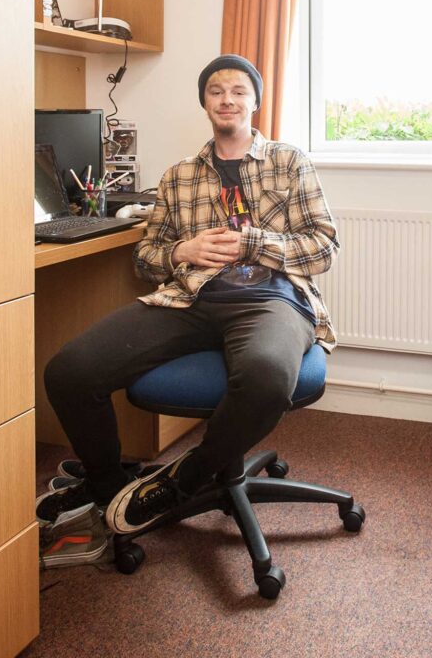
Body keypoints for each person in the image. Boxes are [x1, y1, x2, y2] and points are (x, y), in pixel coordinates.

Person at [40, 54, 340, 535]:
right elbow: (144, 256)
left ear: (255, 101)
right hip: (190, 301)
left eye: (239, 91)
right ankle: (108, 483)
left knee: (266, 378)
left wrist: (254, 243)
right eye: (216, 91)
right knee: (69, 372)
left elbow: (324, 247)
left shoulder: (289, 162)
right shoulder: (179, 176)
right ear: (204, 102)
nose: (227, 99)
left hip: (272, 299)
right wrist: (185, 249)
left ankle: (185, 477)